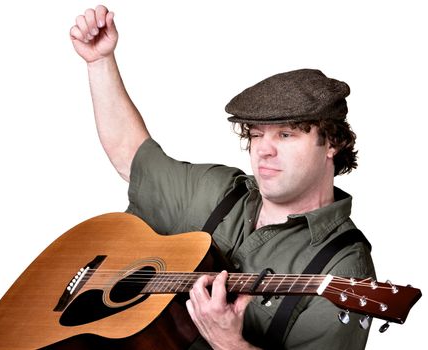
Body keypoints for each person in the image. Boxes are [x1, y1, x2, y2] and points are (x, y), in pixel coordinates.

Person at [70, 5, 376, 350]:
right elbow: (132, 158)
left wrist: (229, 343)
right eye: (257, 135)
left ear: (332, 143)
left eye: (286, 135)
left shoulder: (344, 268)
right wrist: (99, 62)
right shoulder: (219, 192)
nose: (263, 150)